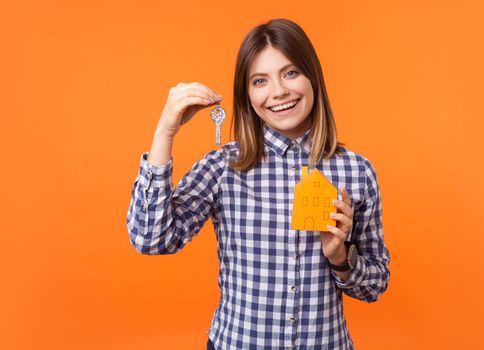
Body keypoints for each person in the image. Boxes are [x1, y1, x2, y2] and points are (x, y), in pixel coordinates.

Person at [126, 18, 390, 350]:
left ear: (313, 77)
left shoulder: (357, 171)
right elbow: (151, 239)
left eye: (291, 73)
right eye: (260, 80)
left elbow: (375, 285)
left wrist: (340, 257)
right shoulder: (224, 166)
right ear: (247, 95)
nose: (279, 91)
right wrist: (164, 132)